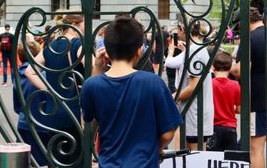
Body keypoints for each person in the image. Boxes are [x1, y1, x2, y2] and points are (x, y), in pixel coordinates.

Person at [81, 15, 182, 167]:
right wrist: (155, 149)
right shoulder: (153, 83)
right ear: (139, 51)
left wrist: (96, 68)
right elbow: (168, 133)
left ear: (106, 51)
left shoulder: (92, 84)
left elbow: (86, 119)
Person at [25, 12, 86, 167]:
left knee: (56, 158)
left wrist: (49, 89)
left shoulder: (51, 45)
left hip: (52, 109)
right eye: (84, 24)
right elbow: (91, 68)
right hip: (73, 109)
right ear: (75, 25)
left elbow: (29, 71)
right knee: (75, 158)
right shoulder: (78, 44)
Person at [232, 7, 267, 168]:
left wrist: (228, 67)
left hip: (259, 102)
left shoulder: (250, 39)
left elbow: (240, 70)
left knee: (255, 149)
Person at [165, 19, 214, 151]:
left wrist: (171, 98)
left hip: (195, 114)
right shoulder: (196, 50)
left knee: (195, 157)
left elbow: (193, 87)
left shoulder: (194, 52)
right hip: (194, 113)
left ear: (182, 30)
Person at [13, 38, 52, 166]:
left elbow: (17, 105)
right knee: (44, 161)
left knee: (25, 161)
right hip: (43, 124)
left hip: (24, 123)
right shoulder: (44, 75)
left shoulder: (17, 75)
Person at [208, 50, 241, 151]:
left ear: (213, 68)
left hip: (213, 127)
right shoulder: (235, 85)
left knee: (212, 159)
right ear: (230, 68)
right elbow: (239, 109)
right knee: (230, 159)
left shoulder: (209, 84)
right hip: (230, 127)